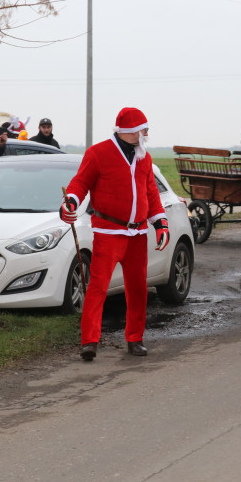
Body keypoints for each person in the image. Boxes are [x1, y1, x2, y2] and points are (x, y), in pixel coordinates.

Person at [59, 107, 169, 362]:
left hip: (138, 233)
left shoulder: (145, 158)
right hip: (108, 232)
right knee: (97, 286)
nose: (147, 134)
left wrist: (160, 222)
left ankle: (135, 339)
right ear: (132, 132)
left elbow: (151, 193)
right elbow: (80, 182)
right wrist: (71, 201)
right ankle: (89, 341)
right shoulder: (98, 153)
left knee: (138, 287)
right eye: (144, 130)